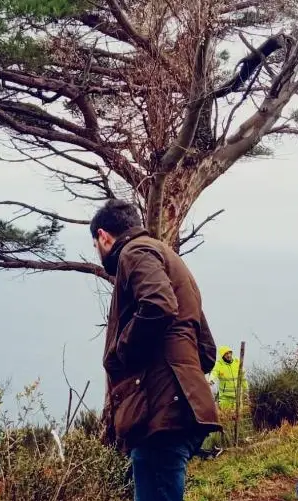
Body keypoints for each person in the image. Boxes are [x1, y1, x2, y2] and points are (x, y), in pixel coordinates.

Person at [92, 198, 222, 501]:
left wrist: (122, 352)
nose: (98, 253)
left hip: (160, 412)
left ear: (103, 236)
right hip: (181, 404)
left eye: (96, 245)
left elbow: (158, 305)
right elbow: (206, 349)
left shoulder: (134, 252)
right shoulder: (169, 257)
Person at [211, 345, 249, 411]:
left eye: (229, 353)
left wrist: (246, 390)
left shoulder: (237, 362)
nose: (228, 355)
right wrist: (211, 381)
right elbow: (214, 373)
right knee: (225, 418)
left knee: (237, 417)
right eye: (226, 354)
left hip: (237, 397)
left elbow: (243, 378)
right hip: (225, 398)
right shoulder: (219, 364)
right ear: (222, 356)